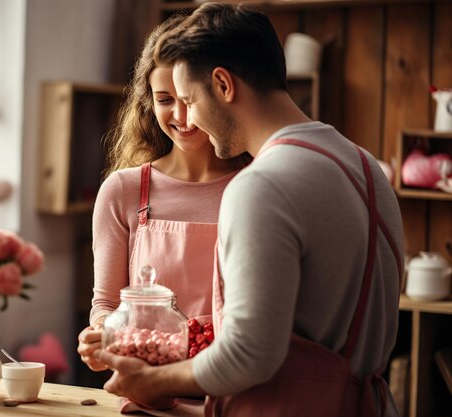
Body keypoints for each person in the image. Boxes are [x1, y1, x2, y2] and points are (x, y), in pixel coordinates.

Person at [95, 3, 404, 417]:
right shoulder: (367, 168)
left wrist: (151, 382)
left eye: (189, 98)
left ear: (223, 84)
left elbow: (248, 355)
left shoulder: (260, 185)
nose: (191, 119)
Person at [77, 14, 250, 373]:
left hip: (232, 390)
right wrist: (101, 336)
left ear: (221, 92)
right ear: (148, 102)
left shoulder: (254, 187)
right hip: (147, 391)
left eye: (189, 98)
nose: (181, 115)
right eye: (165, 99)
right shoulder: (123, 191)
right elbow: (106, 304)